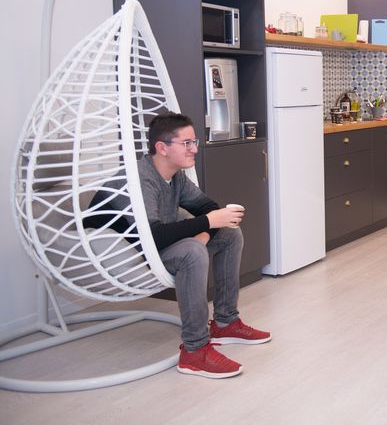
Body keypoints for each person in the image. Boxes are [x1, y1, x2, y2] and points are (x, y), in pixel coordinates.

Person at [87, 112, 271, 379]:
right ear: (162, 148)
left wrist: (205, 231)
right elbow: (154, 236)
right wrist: (207, 224)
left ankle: (225, 322)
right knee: (192, 251)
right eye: (186, 143)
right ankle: (195, 350)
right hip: (125, 255)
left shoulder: (175, 177)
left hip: (150, 244)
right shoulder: (138, 179)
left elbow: (209, 208)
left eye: (194, 141)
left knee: (229, 234)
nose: (194, 148)